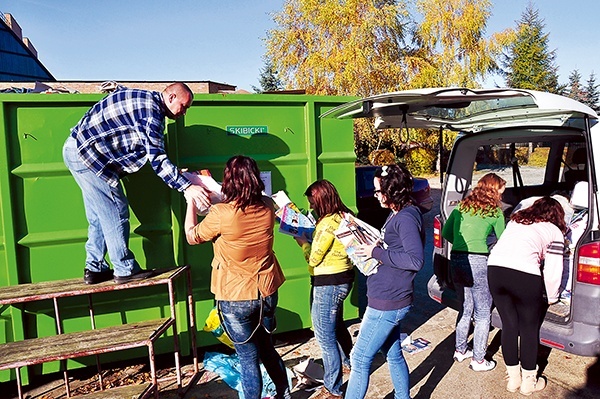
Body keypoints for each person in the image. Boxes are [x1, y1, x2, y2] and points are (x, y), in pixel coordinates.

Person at [63, 82, 209, 285]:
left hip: (78, 150)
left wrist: (174, 173)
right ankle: (124, 269)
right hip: (86, 155)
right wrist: (187, 186)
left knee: (99, 214)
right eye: (184, 106)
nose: (183, 113)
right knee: (115, 209)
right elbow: (157, 158)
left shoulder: (145, 98)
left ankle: (95, 268)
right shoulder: (152, 114)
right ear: (171, 97)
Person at [184, 155, 290, 399]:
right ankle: (284, 394)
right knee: (267, 349)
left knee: (247, 357)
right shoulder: (266, 205)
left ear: (229, 181)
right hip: (267, 291)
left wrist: (191, 199)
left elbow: (192, 236)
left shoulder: (221, 213)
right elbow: (239, 203)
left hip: (235, 296)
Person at [347, 164, 424, 399]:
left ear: (393, 191)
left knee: (359, 358)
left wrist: (376, 252)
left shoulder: (406, 218)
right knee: (393, 353)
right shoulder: (400, 212)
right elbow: (397, 248)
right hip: (389, 295)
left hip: (388, 300)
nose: (375, 196)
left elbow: (415, 260)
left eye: (378, 191)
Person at [487, 196, 566, 395]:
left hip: (495, 269)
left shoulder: (516, 220)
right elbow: (553, 270)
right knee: (529, 329)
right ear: (556, 214)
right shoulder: (553, 230)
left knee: (509, 325)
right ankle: (529, 382)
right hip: (525, 274)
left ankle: (513, 379)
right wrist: (552, 296)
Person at [294, 180, 354, 399]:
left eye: (313, 203)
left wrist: (302, 242)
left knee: (325, 338)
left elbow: (314, 258)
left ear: (321, 200)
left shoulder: (328, 223)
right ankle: (347, 363)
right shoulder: (344, 215)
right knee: (336, 326)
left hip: (328, 283)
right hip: (343, 278)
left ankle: (333, 388)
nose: (311, 207)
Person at [441, 173, 506, 372]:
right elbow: (503, 240)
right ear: (494, 190)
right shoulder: (495, 211)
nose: (504, 193)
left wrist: (464, 244)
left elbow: (446, 233)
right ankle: (478, 360)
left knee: (466, 306)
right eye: (502, 189)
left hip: (457, 260)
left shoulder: (462, 206)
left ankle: (460, 350)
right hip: (478, 261)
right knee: (483, 313)